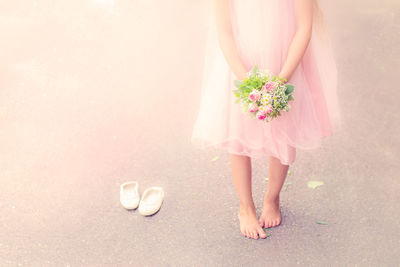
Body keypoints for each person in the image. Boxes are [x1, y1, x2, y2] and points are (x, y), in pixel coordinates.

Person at [191, 0, 341, 240]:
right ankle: (245, 207)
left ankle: (272, 197)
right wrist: (247, 81)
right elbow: (225, 33)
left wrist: (281, 81)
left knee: (284, 130)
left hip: (285, 64)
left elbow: (304, 28)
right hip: (241, 67)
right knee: (237, 135)